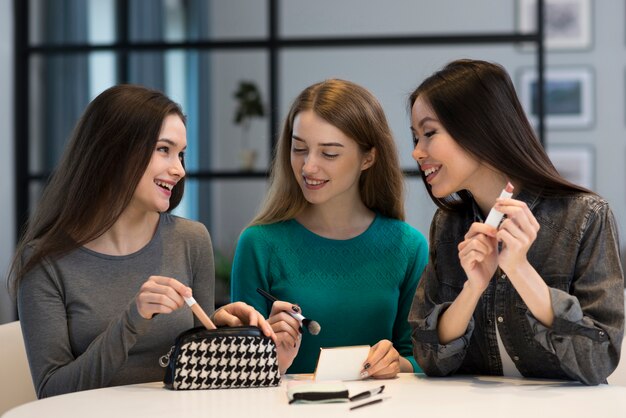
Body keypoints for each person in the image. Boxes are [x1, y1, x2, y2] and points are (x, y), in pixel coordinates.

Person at [8, 84, 274, 398]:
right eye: (164, 149)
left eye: (181, 154)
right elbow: (52, 392)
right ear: (114, 150)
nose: (178, 170)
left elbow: (201, 370)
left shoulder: (191, 239)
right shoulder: (44, 261)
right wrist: (134, 318)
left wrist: (226, 329)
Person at [407, 59, 624, 385]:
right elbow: (429, 359)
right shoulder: (448, 225)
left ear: (478, 128)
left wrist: (520, 270)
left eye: (429, 133)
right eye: (415, 137)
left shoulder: (586, 217)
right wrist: (473, 289)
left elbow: (598, 360)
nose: (417, 152)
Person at [231, 79, 429, 377]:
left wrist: (397, 364)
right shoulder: (259, 244)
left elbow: (422, 360)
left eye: (329, 153)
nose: (308, 167)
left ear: (368, 157)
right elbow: (238, 370)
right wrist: (266, 350)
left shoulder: (408, 246)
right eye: (299, 149)